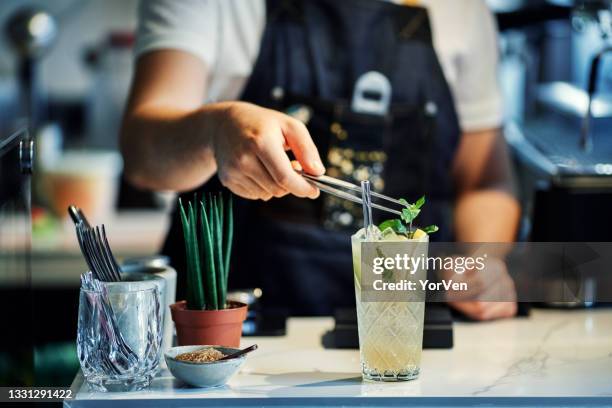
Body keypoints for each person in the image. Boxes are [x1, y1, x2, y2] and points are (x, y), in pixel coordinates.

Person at [121, 0, 521, 320]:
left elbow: (485, 181)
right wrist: (214, 131)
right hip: (232, 336)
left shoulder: (464, 10)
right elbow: (143, 153)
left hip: (410, 336)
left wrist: (479, 262)